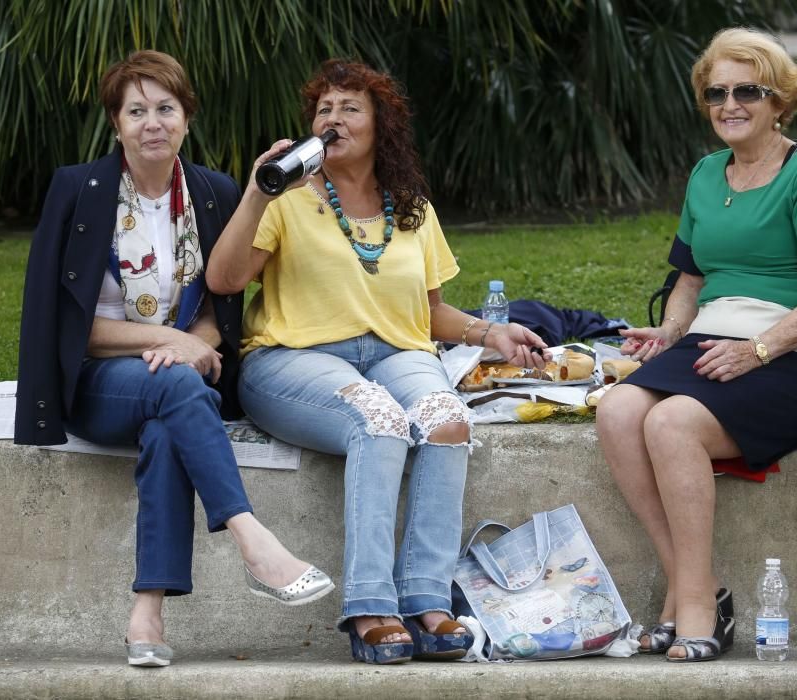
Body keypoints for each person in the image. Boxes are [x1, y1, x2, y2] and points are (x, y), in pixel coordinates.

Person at [206, 59, 549, 664]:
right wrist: (259, 190)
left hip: (396, 350)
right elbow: (225, 279)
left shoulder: (410, 206)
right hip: (294, 358)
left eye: (349, 108)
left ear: (380, 124)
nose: (333, 120)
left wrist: (490, 332)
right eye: (324, 110)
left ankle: (426, 601)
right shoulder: (284, 197)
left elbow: (430, 311)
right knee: (380, 421)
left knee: (447, 420)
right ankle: (369, 607)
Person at [14, 50, 334, 668]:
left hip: (177, 383)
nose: (151, 122)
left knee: (169, 419)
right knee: (176, 388)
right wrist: (167, 344)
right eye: (136, 111)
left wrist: (200, 343)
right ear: (116, 123)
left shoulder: (213, 192)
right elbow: (63, 325)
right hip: (97, 383)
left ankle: (148, 614)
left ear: (186, 117)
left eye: (165, 108)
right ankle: (254, 541)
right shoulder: (77, 191)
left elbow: (222, 302)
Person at [596, 28, 797, 663]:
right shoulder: (706, 173)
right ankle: (701, 587)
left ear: (780, 100)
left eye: (748, 90)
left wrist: (760, 350)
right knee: (617, 410)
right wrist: (669, 333)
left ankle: (689, 607)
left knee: (672, 422)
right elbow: (690, 280)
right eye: (716, 93)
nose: (729, 104)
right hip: (715, 336)